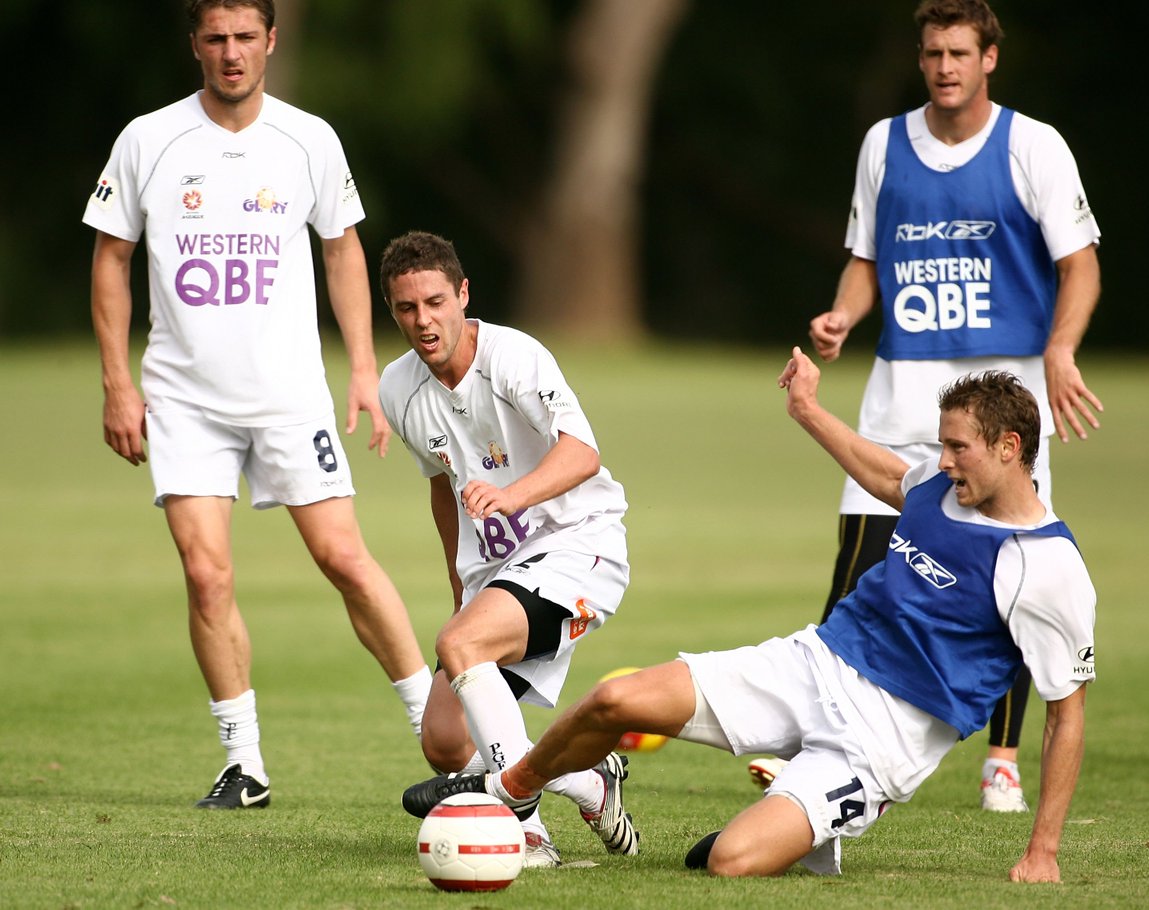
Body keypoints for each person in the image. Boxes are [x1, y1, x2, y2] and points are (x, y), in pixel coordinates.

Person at [404, 351, 1097, 883]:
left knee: (731, 862)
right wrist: (807, 410)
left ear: (1009, 447)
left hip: (882, 740)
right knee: (614, 700)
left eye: (957, 448)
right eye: (940, 446)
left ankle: (801, 822)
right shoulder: (941, 488)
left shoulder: (1045, 566)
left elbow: (1066, 714)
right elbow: (888, 476)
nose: (941, 461)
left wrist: (1043, 851)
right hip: (813, 662)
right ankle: (511, 791)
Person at [753, 0, 1103, 812]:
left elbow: (1080, 264)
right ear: (920, 59)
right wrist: (845, 315)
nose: (945, 67)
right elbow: (866, 258)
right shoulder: (884, 143)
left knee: (1009, 574)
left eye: (959, 53)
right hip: (901, 389)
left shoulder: (1033, 146)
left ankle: (1002, 760)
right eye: (932, 53)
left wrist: (1059, 349)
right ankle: (820, 737)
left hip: (1001, 401)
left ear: (989, 59)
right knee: (857, 568)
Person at [83, 0, 432, 809]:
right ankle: (244, 765)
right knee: (206, 576)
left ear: (271, 41)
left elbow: (341, 250)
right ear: (195, 45)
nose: (232, 52)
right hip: (184, 399)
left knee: (344, 559)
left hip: (289, 395)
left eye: (246, 37)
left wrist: (362, 368)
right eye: (216, 38)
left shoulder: (309, 139)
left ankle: (441, 730)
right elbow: (111, 259)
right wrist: (117, 383)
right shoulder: (147, 139)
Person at [377, 231, 638, 868]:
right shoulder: (398, 388)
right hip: (502, 572)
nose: (424, 321)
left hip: (581, 546)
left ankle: (527, 832)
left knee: (463, 647)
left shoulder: (513, 357)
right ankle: (588, 782)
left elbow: (583, 452)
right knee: (445, 742)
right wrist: (461, 590)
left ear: (463, 294)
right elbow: (441, 488)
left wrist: (512, 496)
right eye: (407, 308)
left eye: (435, 302)